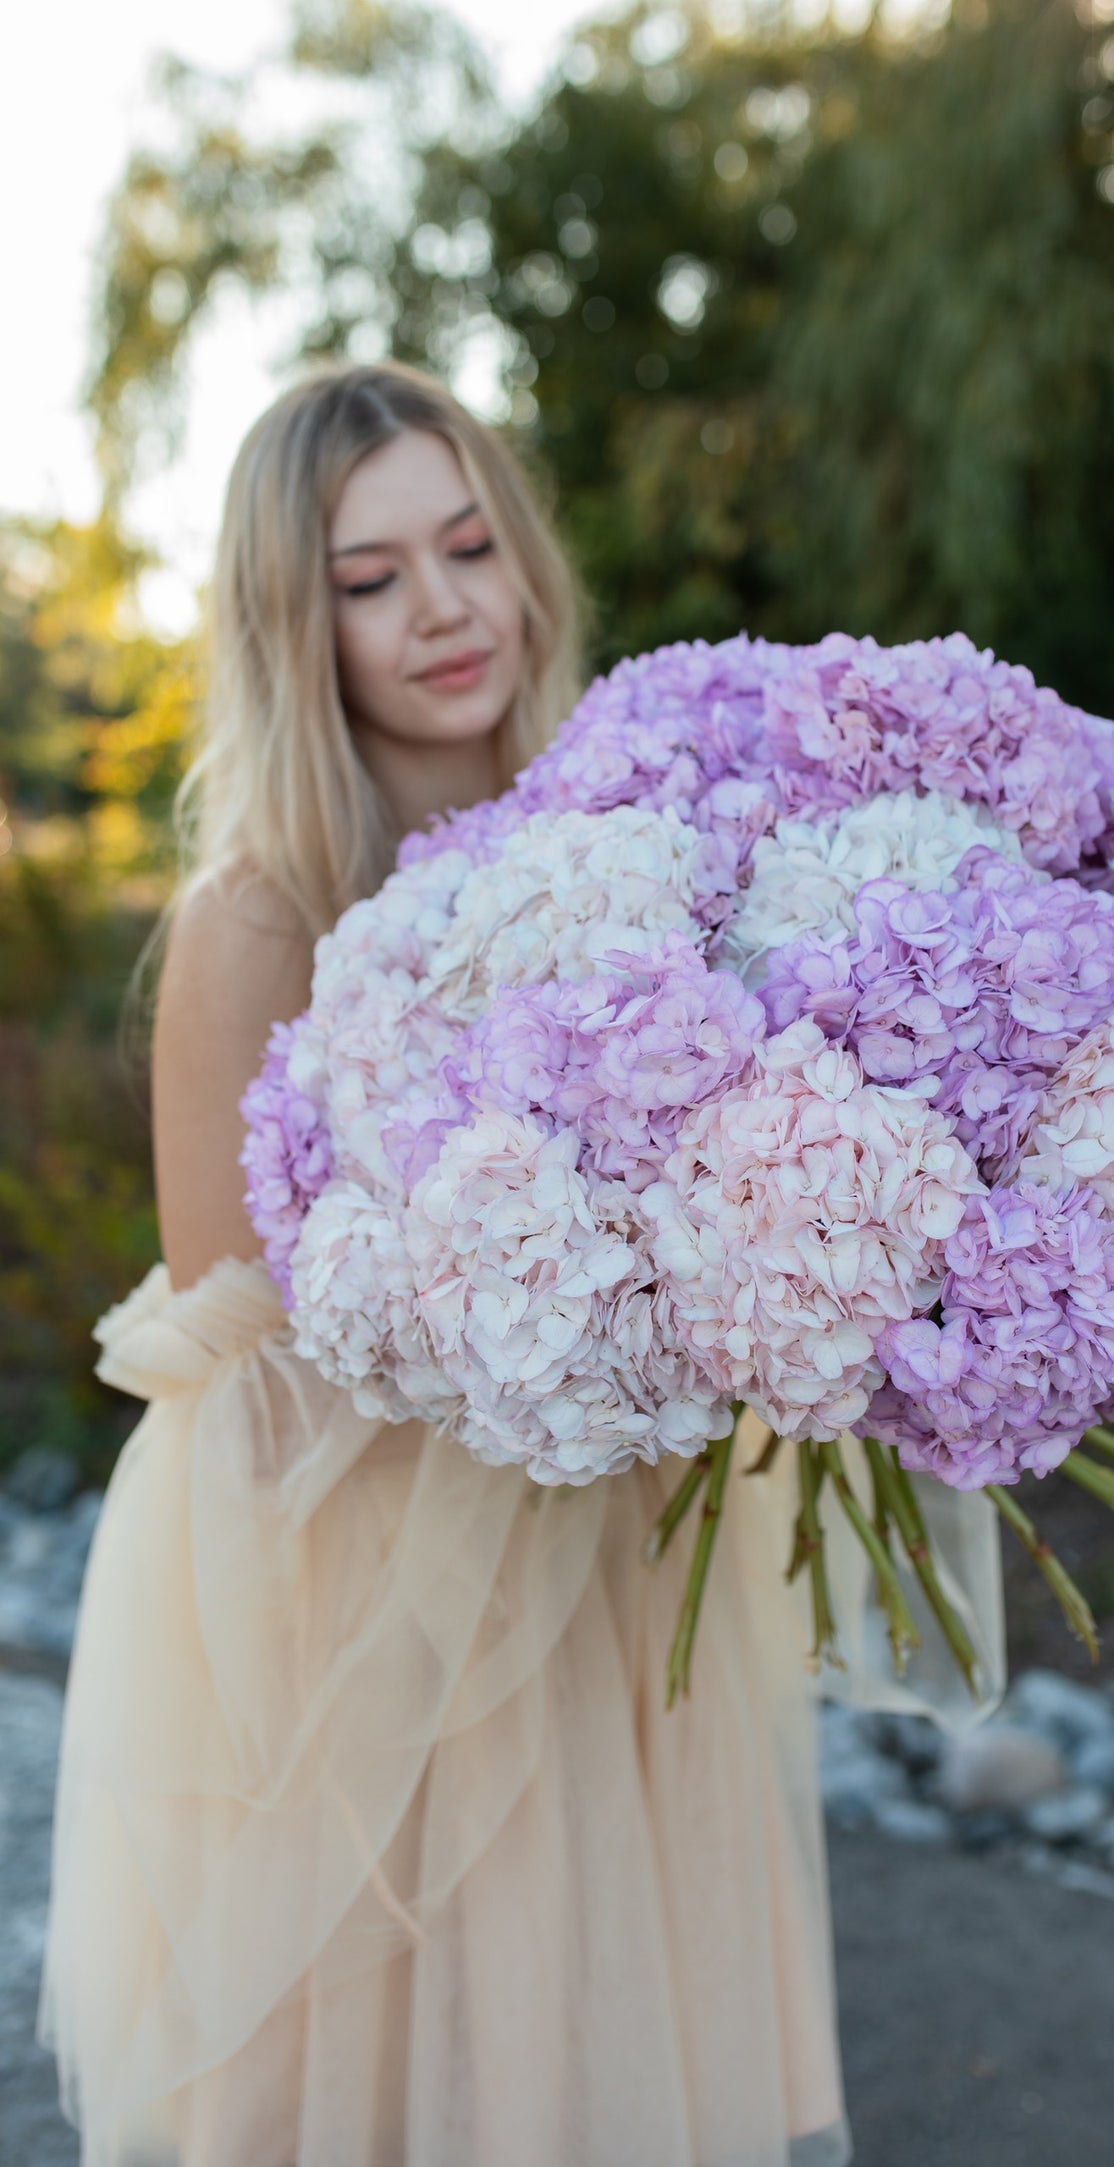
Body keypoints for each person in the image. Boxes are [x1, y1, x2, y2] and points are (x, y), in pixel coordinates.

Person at [36, 360, 1006, 2166]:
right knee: (395, 2087)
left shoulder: (653, 828)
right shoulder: (261, 912)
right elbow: (233, 1354)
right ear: (290, 618)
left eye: (467, 545)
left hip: (631, 1565)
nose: (442, 609)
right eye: (370, 576)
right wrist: (536, 1338)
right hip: (377, 1622)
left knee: (595, 2061)